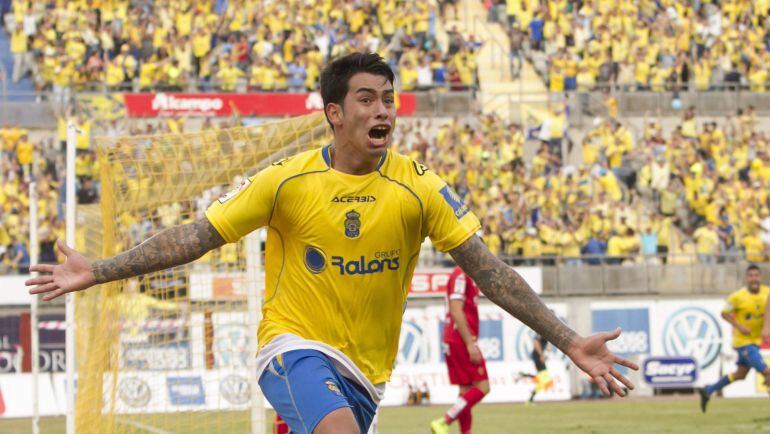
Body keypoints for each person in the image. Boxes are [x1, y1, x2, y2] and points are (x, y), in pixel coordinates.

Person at [28, 53, 637, 434]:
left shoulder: (420, 187)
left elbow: (490, 272)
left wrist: (566, 340)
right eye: (368, 99)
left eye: (389, 99)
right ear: (333, 114)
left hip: (368, 375)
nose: (385, 112)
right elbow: (196, 236)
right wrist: (101, 270)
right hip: (292, 349)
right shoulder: (285, 181)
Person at [699, 264, 770, 412]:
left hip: (756, 342)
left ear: (760, 277)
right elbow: (724, 313)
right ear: (746, 278)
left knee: (740, 375)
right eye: (751, 276)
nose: (754, 279)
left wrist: (766, 326)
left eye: (756, 275)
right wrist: (739, 326)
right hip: (743, 343)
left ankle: (708, 390)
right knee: (767, 373)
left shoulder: (767, 293)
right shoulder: (737, 296)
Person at [430, 267, 489, 434]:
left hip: (455, 338)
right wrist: (470, 343)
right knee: (483, 386)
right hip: (460, 339)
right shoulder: (461, 275)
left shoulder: (465, 275)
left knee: (465, 391)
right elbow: (456, 310)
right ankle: (443, 421)